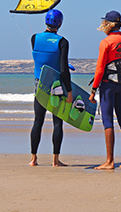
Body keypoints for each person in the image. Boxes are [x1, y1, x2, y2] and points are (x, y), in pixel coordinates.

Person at [89, 10, 121, 169]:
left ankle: (109, 161)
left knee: (107, 121)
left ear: (107, 24)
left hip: (108, 84)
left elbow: (100, 69)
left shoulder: (106, 42)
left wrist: (94, 90)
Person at [30, 9, 73, 167]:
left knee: (37, 122)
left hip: (39, 84)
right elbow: (63, 70)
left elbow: (43, 57)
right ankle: (55, 160)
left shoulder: (34, 38)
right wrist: (69, 91)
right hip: (56, 86)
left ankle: (33, 159)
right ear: (60, 23)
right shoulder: (62, 42)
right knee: (57, 123)